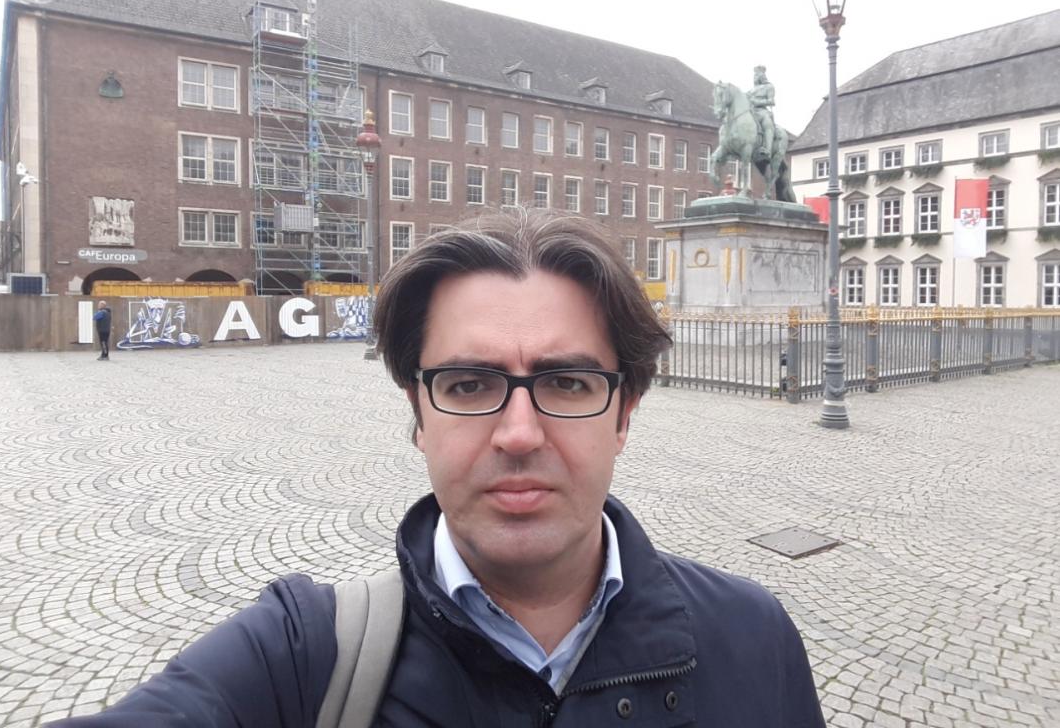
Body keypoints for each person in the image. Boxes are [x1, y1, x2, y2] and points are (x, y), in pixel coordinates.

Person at [52, 208, 824, 727]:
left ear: (625, 411)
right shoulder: (300, 658)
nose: (518, 434)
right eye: (468, 385)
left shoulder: (754, 637)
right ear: (417, 414)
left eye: (566, 383)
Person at [747, 64, 776, 163]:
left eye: (757, 75)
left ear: (762, 76)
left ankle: (767, 150)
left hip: (762, 111)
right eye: (754, 75)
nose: (754, 77)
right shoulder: (751, 90)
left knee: (767, 123)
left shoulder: (769, 87)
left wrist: (757, 102)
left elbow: (771, 101)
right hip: (750, 111)